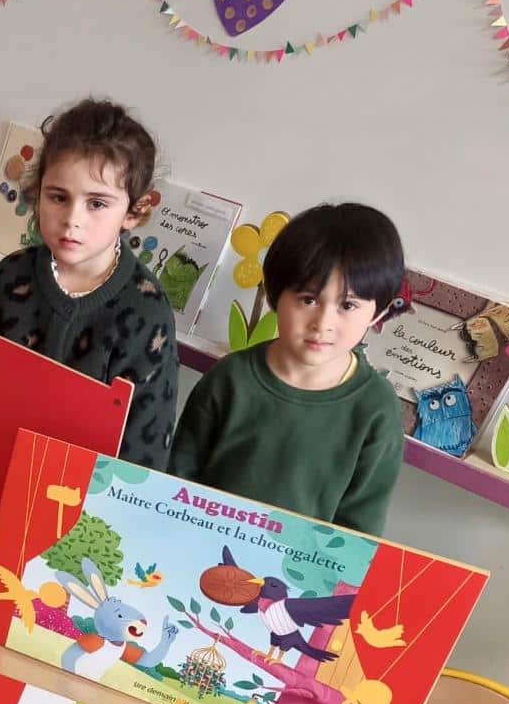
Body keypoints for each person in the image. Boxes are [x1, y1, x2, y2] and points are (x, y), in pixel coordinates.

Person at [169, 202, 407, 534]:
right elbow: (176, 481)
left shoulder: (377, 409)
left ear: (378, 313)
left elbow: (358, 532)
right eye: (308, 299)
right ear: (274, 295)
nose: (323, 323)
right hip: (197, 548)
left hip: (301, 566)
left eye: (348, 305)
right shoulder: (230, 378)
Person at [0, 98, 178, 468]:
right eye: (58, 197)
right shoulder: (8, 277)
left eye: (97, 204)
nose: (72, 219)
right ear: (38, 193)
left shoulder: (147, 311)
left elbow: (144, 455)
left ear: (133, 212)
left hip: (84, 494)